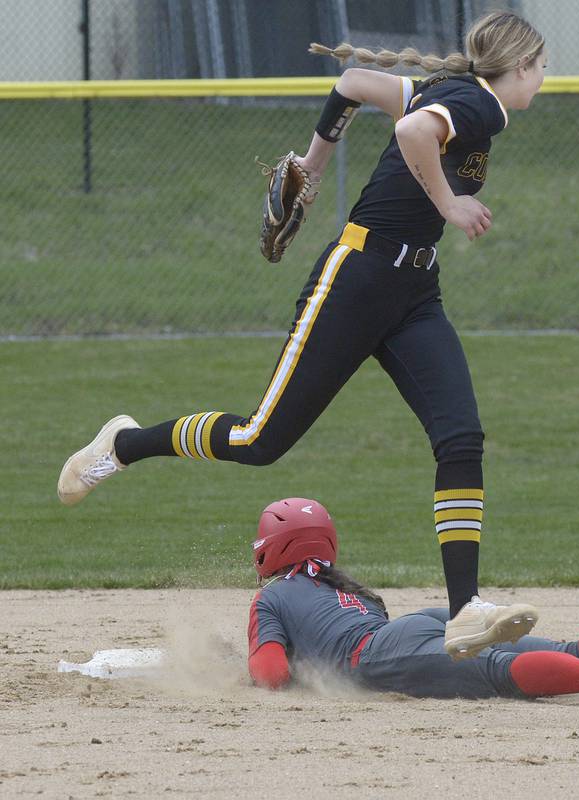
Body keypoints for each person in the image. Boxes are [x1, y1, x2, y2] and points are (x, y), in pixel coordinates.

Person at [58, 12, 549, 657]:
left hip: (412, 294)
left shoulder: (454, 96)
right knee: (260, 440)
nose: (544, 79)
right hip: (356, 282)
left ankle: (465, 608)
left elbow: (352, 84)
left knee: (460, 438)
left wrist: (311, 168)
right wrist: (450, 204)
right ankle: (125, 443)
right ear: (517, 68)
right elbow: (409, 132)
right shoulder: (479, 106)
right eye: (540, 67)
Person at [247, 498, 579, 700]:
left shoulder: (272, 598)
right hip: (417, 624)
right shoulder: (352, 590)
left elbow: (270, 674)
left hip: (381, 655)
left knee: (496, 671)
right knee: (567, 646)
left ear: (272, 550)